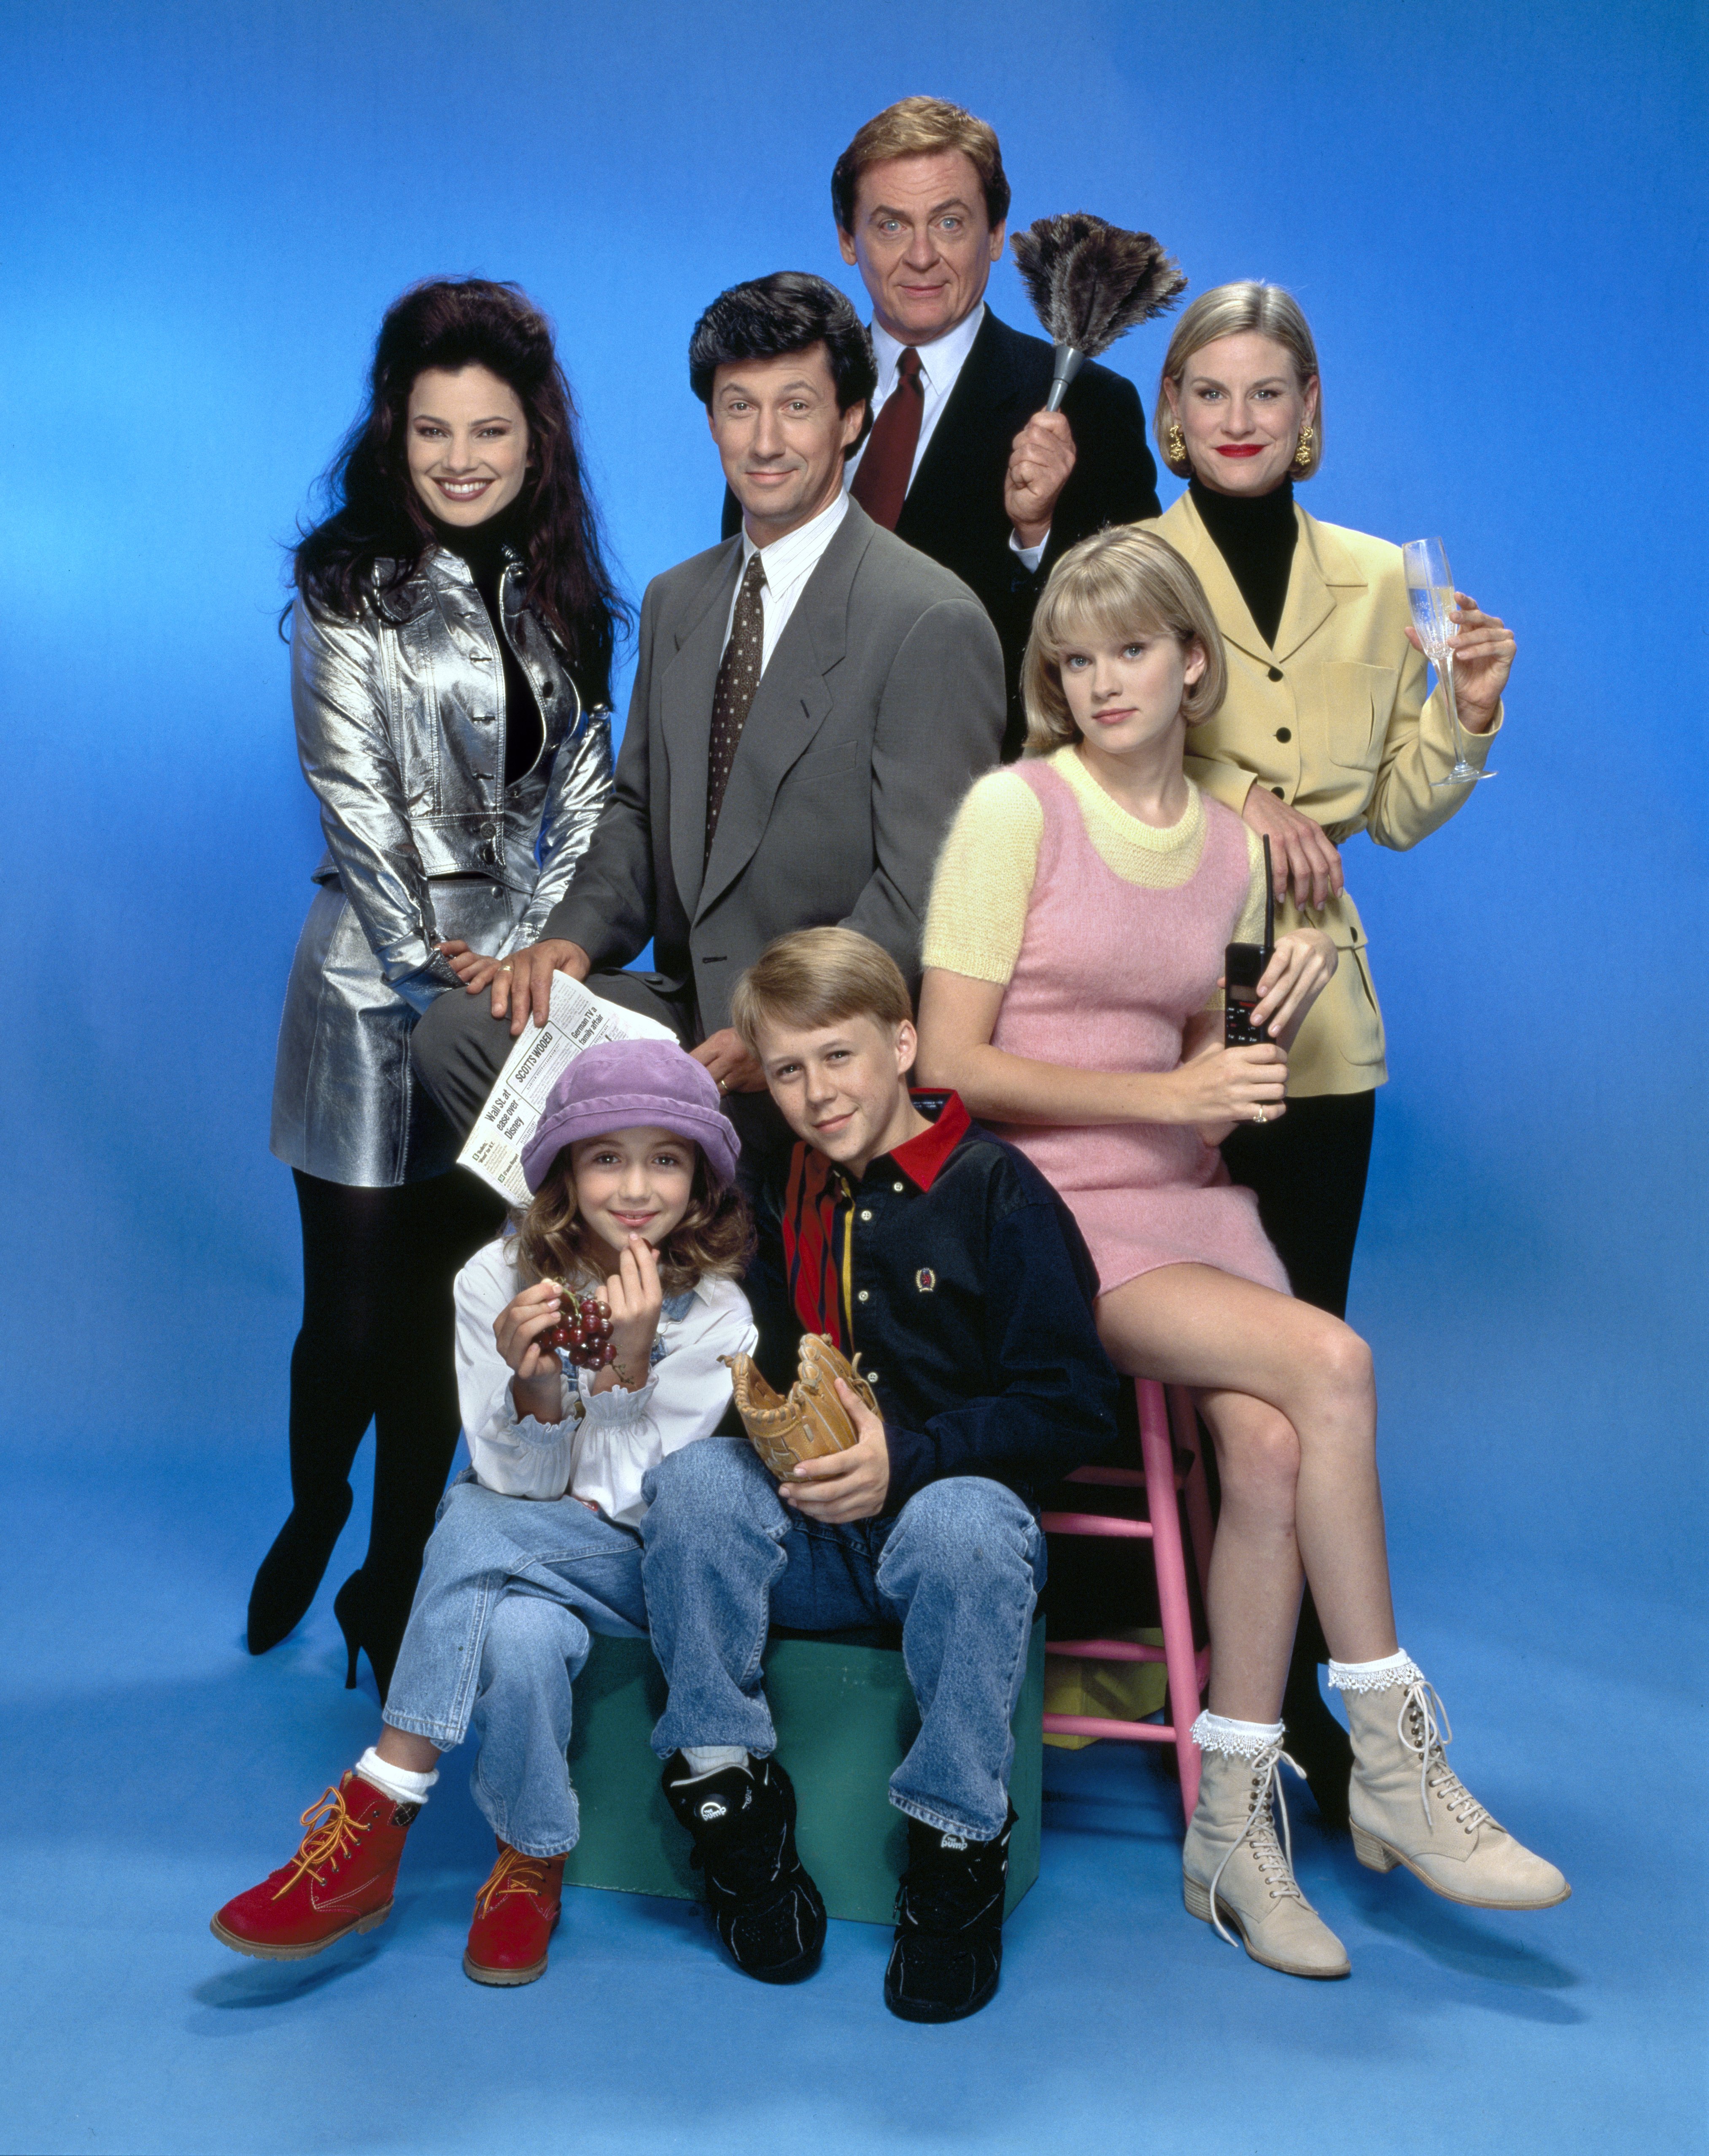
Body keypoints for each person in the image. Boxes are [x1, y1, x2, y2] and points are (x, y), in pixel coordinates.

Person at [916, 528, 1566, 1980]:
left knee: (1267, 1450)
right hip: (1035, 1213)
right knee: (1330, 1357)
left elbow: (1204, 1068)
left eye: (1129, 652)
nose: (1100, 683)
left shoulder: (1229, 851)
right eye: (1073, 661)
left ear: (1191, 663)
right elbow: (954, 1063)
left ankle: (1232, 1831)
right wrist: (1175, 1093)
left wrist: (1255, 1028)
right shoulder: (1015, 811)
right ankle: (1395, 1745)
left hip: (1184, 1200)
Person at [1146, 281, 1516, 1811]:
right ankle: (1204, 1681)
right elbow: (1061, 755)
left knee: (1307, 1364)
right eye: (1210, 393)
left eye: (1267, 393)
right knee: (1204, 1374)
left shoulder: (1379, 579)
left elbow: (1406, 813)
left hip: (1321, 1029)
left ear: (1309, 417)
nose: (1239, 418)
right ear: (1170, 417)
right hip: (1159, 1011)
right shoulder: (1128, 566)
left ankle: (1301, 1709)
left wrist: (1470, 718)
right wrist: (1233, 801)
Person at [411, 271, 1005, 1183]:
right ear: (713, 421)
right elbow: (639, 810)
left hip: (819, 1042)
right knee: (459, 1031)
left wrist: (777, 1033)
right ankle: (629, 1262)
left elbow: (926, 897)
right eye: (739, 407)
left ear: (852, 419)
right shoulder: (678, 599)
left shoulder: (927, 616)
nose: (765, 441)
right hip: (689, 1014)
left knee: (689, 1133)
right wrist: (572, 938)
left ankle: (678, 1255)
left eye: (796, 406)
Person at [636, 927, 1121, 2022]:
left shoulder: (997, 1190)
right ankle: (733, 1809)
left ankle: (955, 1852)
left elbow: (1075, 1399)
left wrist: (908, 1458)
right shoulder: (793, 1184)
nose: (815, 1091)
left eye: (839, 1056)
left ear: (904, 1042)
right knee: (694, 1483)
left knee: (963, 1522)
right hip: (811, 1540)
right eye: (791, 1069)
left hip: (943, 1548)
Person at [253, 279, 624, 1696]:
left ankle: (392, 1576)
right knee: (348, 1322)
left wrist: (529, 954)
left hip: (509, 1009)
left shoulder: (575, 598)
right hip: (364, 982)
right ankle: (316, 1502)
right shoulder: (345, 583)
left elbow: (587, 805)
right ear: (393, 436)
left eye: (489, 430)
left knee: (447, 1314)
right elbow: (349, 792)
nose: (461, 458)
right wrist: (440, 962)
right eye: (430, 432)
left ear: (537, 438)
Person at [212, 1041, 755, 1987]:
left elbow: (648, 1508)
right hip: (526, 1543)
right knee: (518, 1628)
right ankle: (531, 1859)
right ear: (562, 1170)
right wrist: (538, 1396)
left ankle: (379, 1805)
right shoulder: (493, 1279)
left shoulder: (717, 1312)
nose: (635, 1187)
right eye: (605, 1157)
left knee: (461, 1525)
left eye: (665, 1159)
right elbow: (522, 1485)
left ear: (702, 1181)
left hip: (640, 1574)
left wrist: (631, 1367)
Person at [722, 96, 1162, 756]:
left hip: (977, 807)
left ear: (993, 235)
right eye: (892, 225)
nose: (922, 256)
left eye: (950, 222)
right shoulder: (782, 398)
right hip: (788, 805)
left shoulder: (1090, 408)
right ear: (848, 239)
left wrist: (1035, 535)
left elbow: (1132, 644)